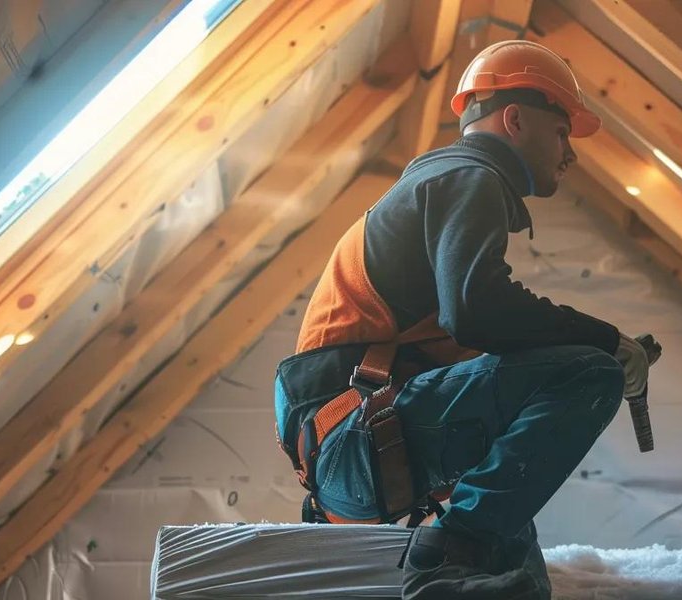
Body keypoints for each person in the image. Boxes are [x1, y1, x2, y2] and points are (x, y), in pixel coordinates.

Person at [273, 39, 655, 599]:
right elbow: (479, 312)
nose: (570, 152)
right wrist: (608, 344)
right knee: (587, 372)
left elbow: (486, 334)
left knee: (518, 578)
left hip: (351, 448)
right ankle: (449, 551)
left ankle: (468, 555)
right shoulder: (465, 175)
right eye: (561, 130)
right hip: (352, 439)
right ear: (515, 118)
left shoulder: (442, 185)